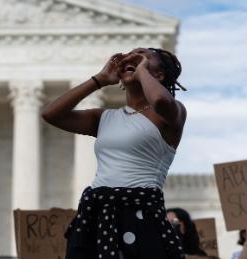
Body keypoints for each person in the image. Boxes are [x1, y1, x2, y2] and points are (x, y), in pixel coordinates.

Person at [42, 47, 187, 259]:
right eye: (129, 56)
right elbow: (51, 114)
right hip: (98, 212)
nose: (132, 57)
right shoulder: (104, 118)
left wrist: (142, 70)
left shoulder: (172, 113)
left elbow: (161, 101)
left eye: (143, 55)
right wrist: (99, 79)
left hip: (140, 211)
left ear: (159, 75)